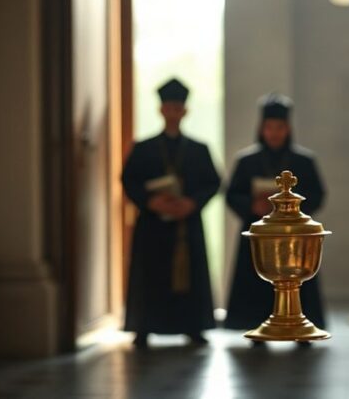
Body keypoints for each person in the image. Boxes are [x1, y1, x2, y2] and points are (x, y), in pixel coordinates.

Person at [122, 78, 221, 348]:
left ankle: (193, 326)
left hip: (185, 224)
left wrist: (192, 203)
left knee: (189, 275)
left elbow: (213, 182)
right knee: (150, 274)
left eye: (178, 107)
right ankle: (144, 327)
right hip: (153, 225)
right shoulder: (143, 149)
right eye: (169, 107)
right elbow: (129, 180)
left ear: (185, 111)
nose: (173, 112)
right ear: (161, 110)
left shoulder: (199, 150)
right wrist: (152, 202)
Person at [224, 93, 327, 344]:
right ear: (262, 128)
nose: (274, 133)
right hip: (261, 235)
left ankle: (302, 328)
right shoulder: (247, 161)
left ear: (288, 129)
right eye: (269, 127)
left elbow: (317, 194)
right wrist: (253, 205)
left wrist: (293, 209)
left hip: (295, 238)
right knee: (255, 280)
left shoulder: (303, 161)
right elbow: (232, 194)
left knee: (298, 279)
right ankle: (255, 326)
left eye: (279, 127)